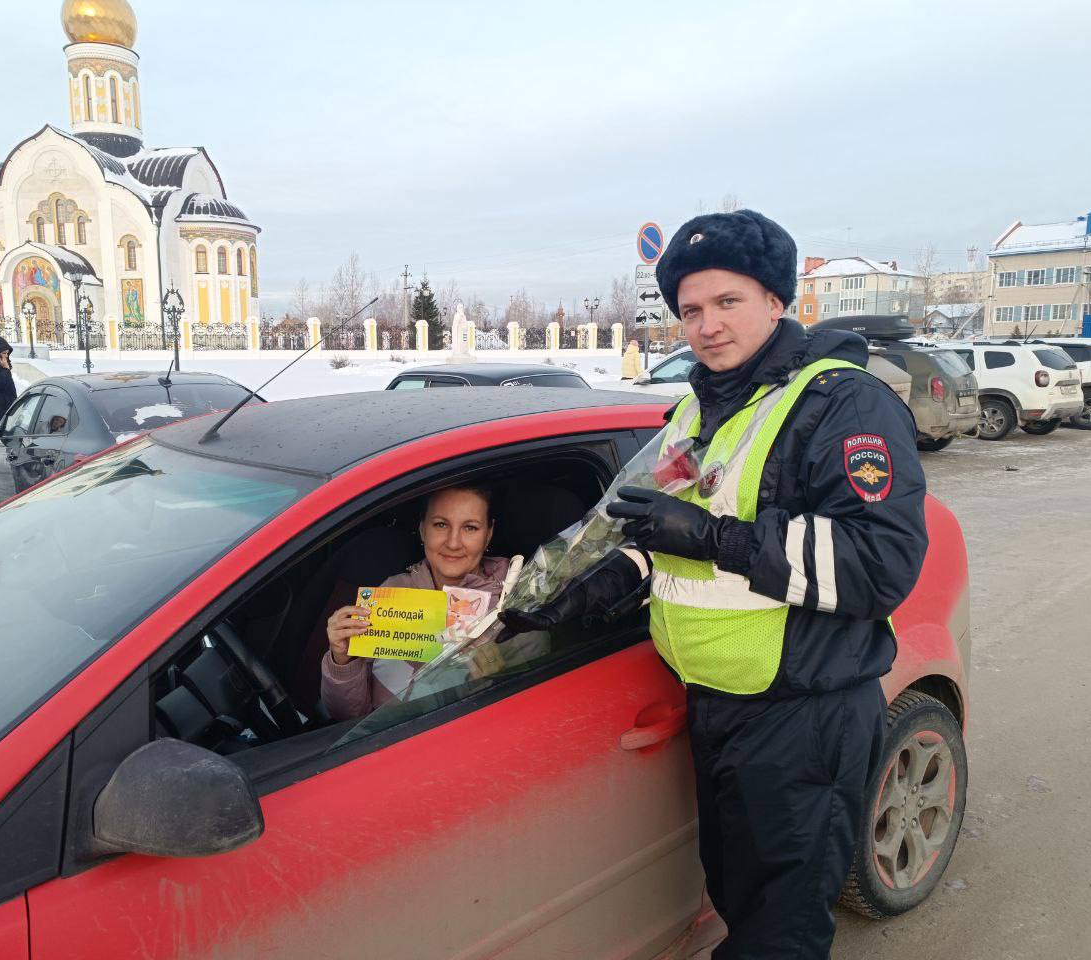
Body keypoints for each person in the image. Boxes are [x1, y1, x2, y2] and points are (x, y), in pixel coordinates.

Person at [502, 209, 927, 959]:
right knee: (737, 894)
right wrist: (588, 595)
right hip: (718, 704)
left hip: (805, 711)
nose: (707, 325)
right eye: (691, 310)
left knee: (779, 929)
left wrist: (712, 538)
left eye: (727, 302)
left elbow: (880, 564)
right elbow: (667, 539)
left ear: (774, 300)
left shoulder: (840, 403)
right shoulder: (699, 406)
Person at [321, 485, 511, 721]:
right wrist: (343, 660)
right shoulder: (393, 591)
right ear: (422, 529)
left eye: (470, 527)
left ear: (488, 534)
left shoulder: (512, 608)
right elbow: (349, 717)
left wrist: (495, 687)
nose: (453, 543)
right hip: (374, 747)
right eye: (441, 524)